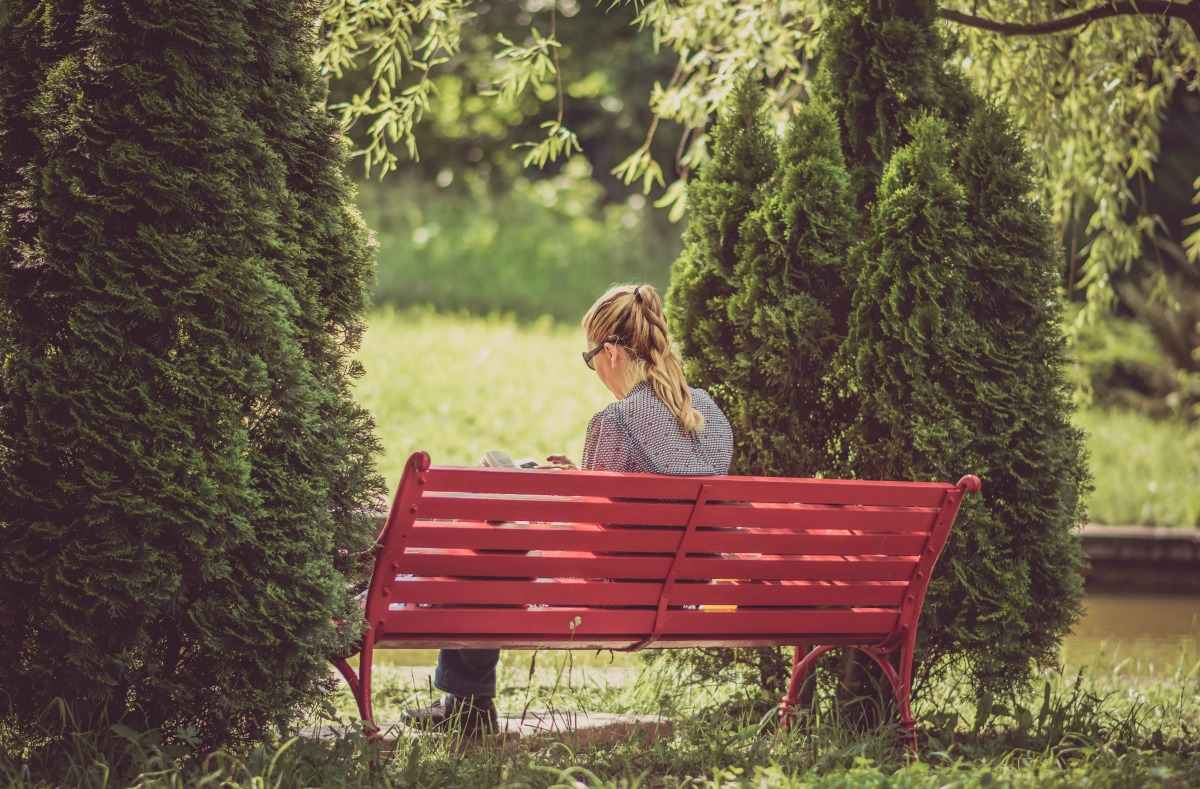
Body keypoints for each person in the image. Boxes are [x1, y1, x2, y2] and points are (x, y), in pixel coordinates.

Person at [400, 283, 733, 736]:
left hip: (612, 599)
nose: (593, 367)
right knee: (497, 547)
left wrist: (547, 498)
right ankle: (463, 704)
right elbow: (650, 500)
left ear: (612, 351)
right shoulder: (710, 414)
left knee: (492, 551)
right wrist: (582, 478)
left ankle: (466, 706)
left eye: (590, 355)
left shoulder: (615, 421)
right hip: (680, 593)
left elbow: (592, 534)